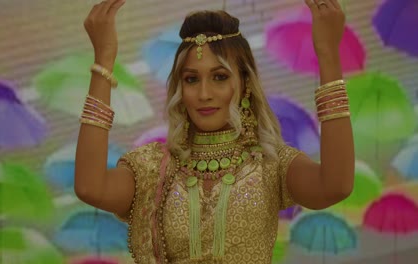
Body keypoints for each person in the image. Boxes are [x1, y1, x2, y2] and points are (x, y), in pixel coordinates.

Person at [74, 0, 355, 263]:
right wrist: (103, 62)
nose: (204, 93)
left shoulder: (270, 164)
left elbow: (335, 186)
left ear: (244, 83)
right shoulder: (152, 167)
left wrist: (328, 55)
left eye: (219, 77)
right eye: (192, 79)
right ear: (180, 89)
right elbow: (90, 187)